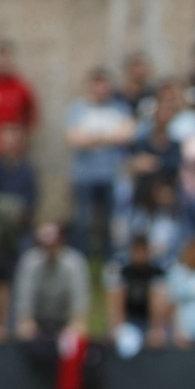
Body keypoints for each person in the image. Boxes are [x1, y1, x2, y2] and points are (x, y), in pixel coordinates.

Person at [64, 68, 135, 258]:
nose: (101, 89)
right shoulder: (78, 109)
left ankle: (109, 263)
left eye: (104, 84)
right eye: (97, 84)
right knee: (83, 222)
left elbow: (127, 135)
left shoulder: (119, 108)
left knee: (110, 224)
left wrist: (92, 138)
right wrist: (110, 137)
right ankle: (81, 261)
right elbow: (74, 139)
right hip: (84, 176)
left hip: (112, 175)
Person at [13, 223, 90, 343]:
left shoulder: (75, 262)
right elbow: (24, 302)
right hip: (37, 321)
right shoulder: (29, 261)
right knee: (23, 330)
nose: (50, 250)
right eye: (46, 245)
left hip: (65, 321)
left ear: (61, 242)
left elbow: (79, 307)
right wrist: (26, 321)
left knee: (78, 332)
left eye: (53, 245)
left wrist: (74, 325)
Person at [0, 122, 38, 269]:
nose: (11, 145)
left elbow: (30, 202)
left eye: (14, 141)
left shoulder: (27, 170)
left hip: (19, 228)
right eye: (7, 141)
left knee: (27, 250)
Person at [104, 234, 167, 350]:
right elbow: (116, 302)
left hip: (147, 320)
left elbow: (158, 302)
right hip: (129, 319)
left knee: (158, 337)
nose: (140, 255)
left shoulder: (157, 271)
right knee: (124, 340)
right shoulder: (122, 270)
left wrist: (156, 329)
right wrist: (117, 327)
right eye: (137, 251)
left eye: (144, 251)